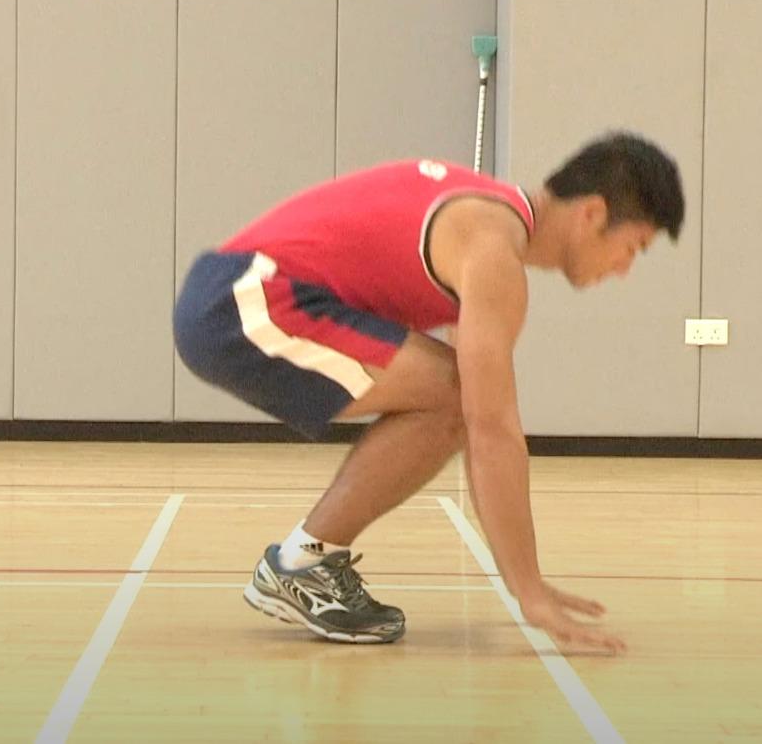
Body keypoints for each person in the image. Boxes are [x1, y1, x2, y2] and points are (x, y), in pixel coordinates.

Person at [172, 131, 684, 653]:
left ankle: (305, 561)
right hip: (241, 302)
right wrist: (528, 590)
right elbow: (492, 431)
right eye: (633, 247)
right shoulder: (491, 248)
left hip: (233, 294)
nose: (624, 269)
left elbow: (473, 418)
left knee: (452, 396)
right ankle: (302, 565)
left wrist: (525, 579)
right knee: (457, 398)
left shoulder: (488, 219)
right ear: (593, 214)